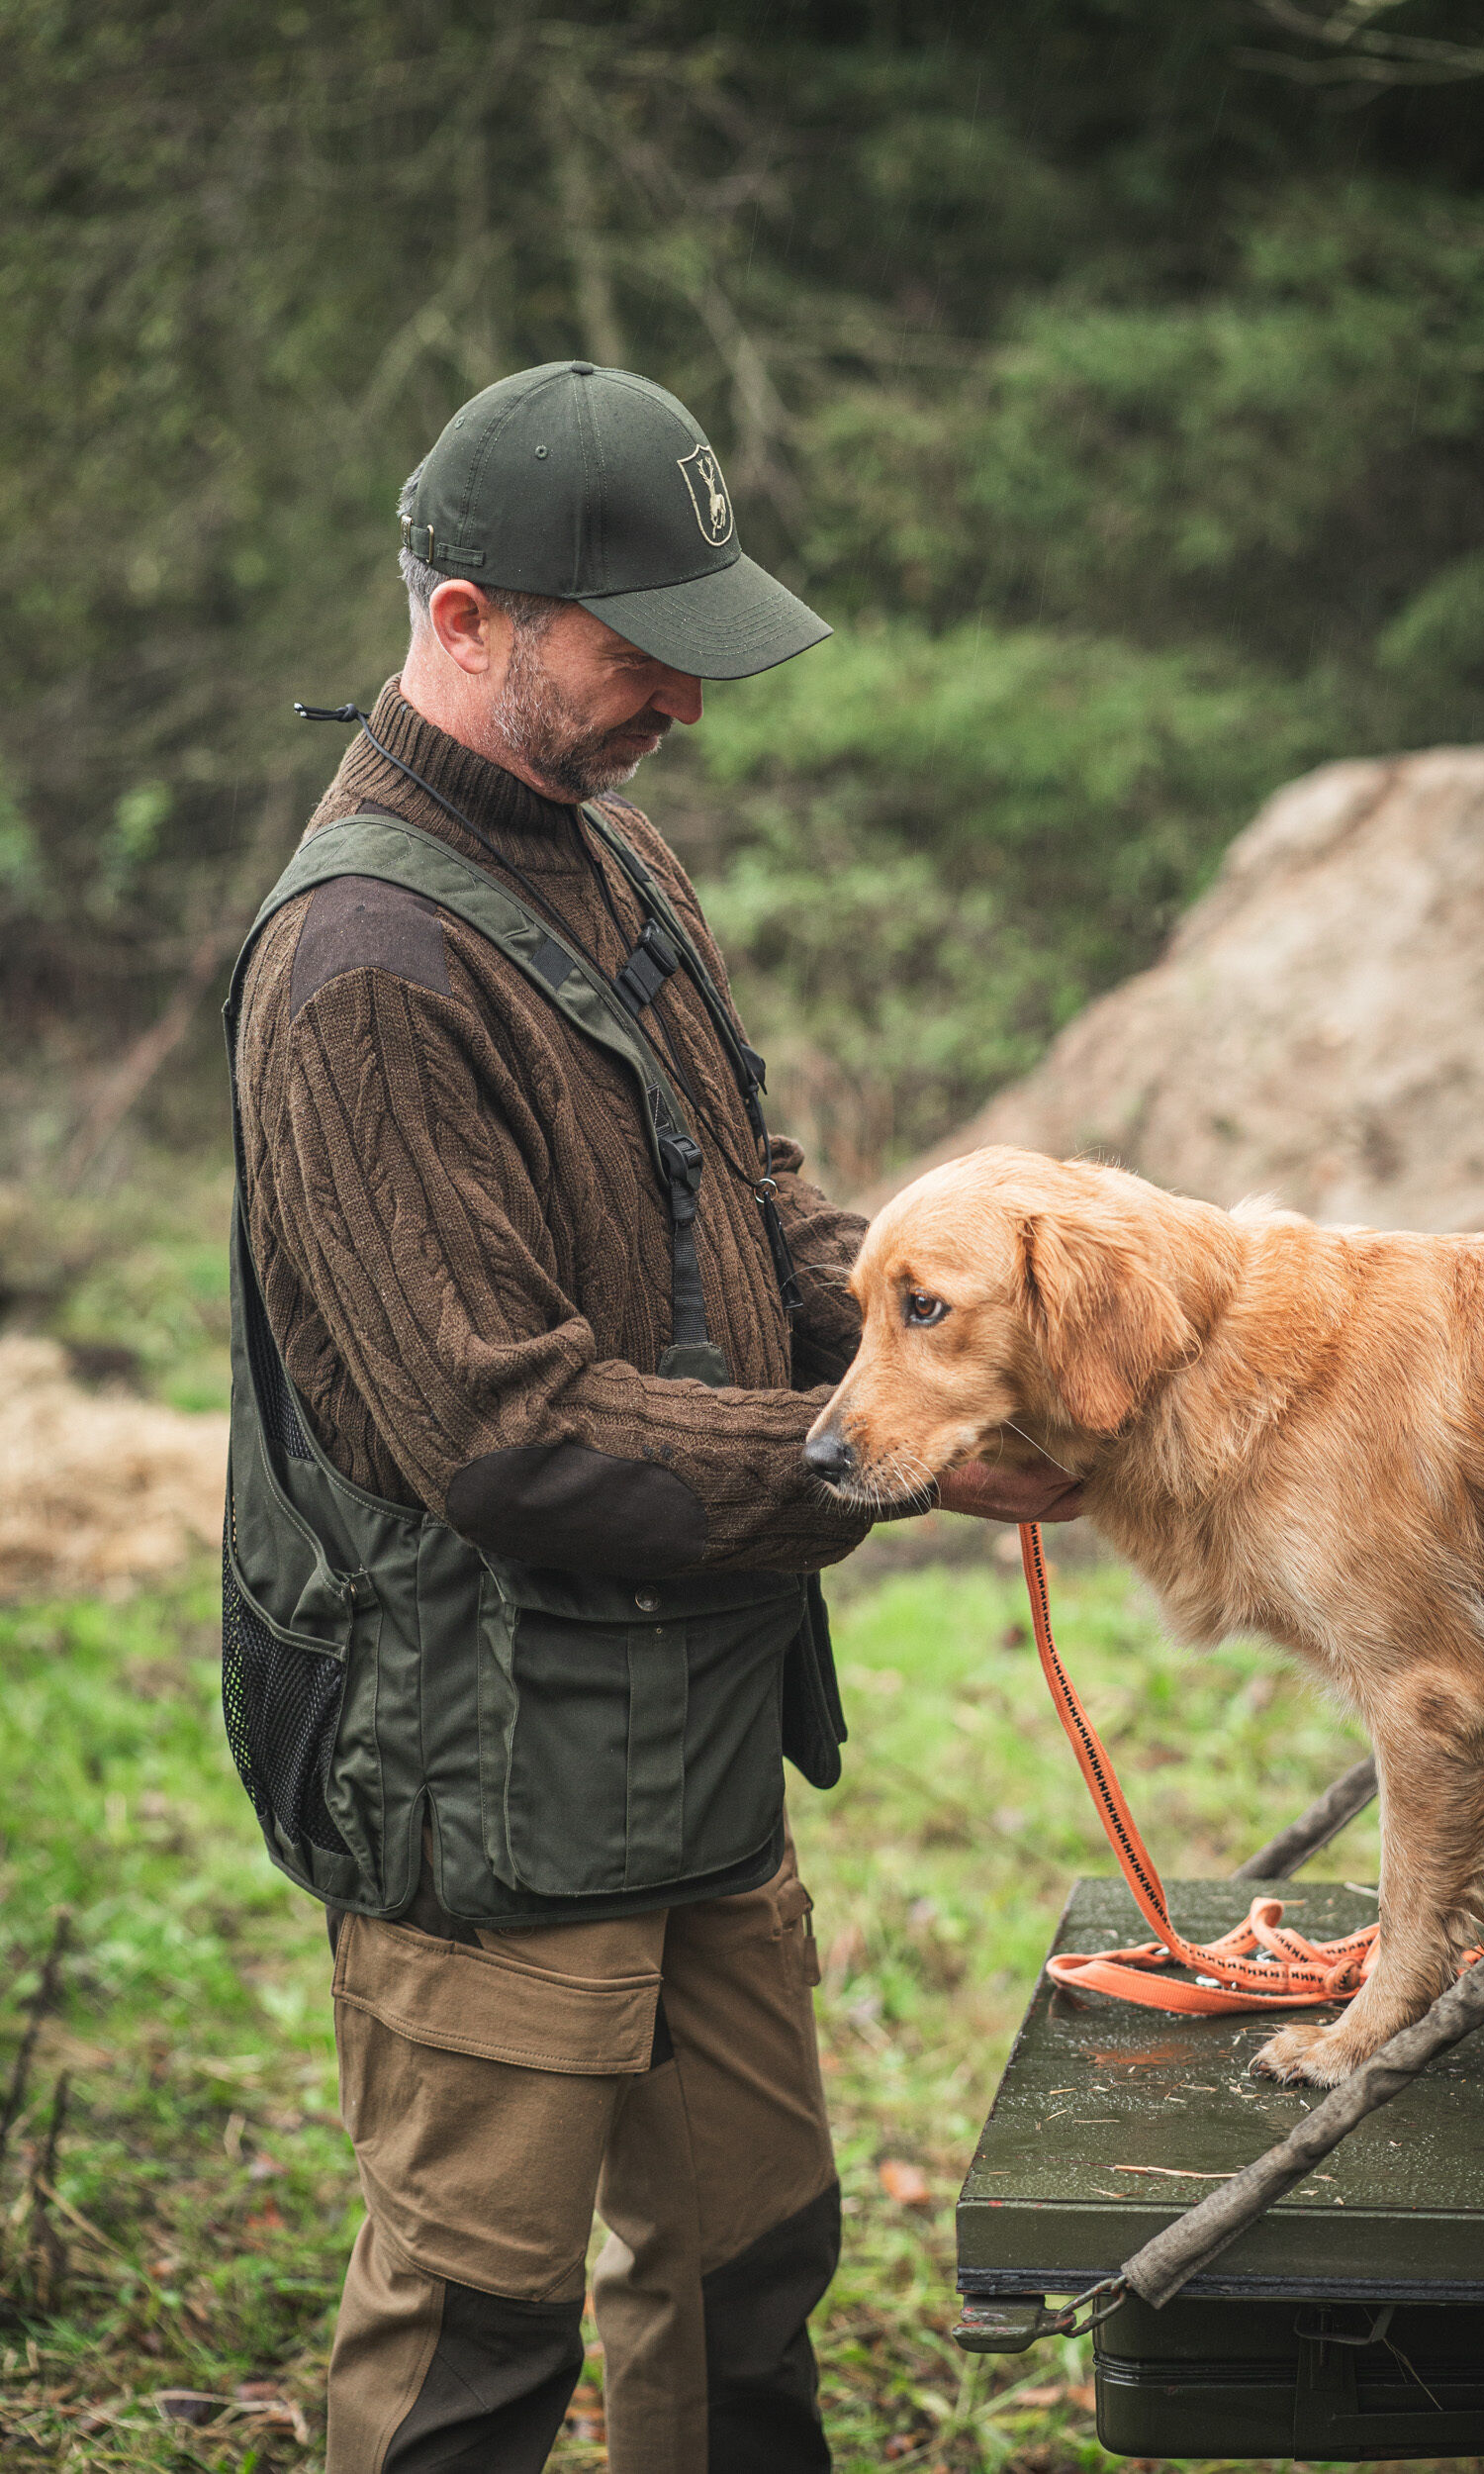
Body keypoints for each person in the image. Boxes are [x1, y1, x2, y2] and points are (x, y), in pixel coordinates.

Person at [225, 361, 1083, 2474]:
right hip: (486, 1784)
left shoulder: (617, 856)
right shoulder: (362, 969)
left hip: (692, 1744)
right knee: (474, 2353)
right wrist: (883, 1461)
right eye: (644, 654)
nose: (686, 707)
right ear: (466, 625)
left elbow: (765, 1198)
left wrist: (946, 1332)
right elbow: (498, 1432)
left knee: (751, 2265)